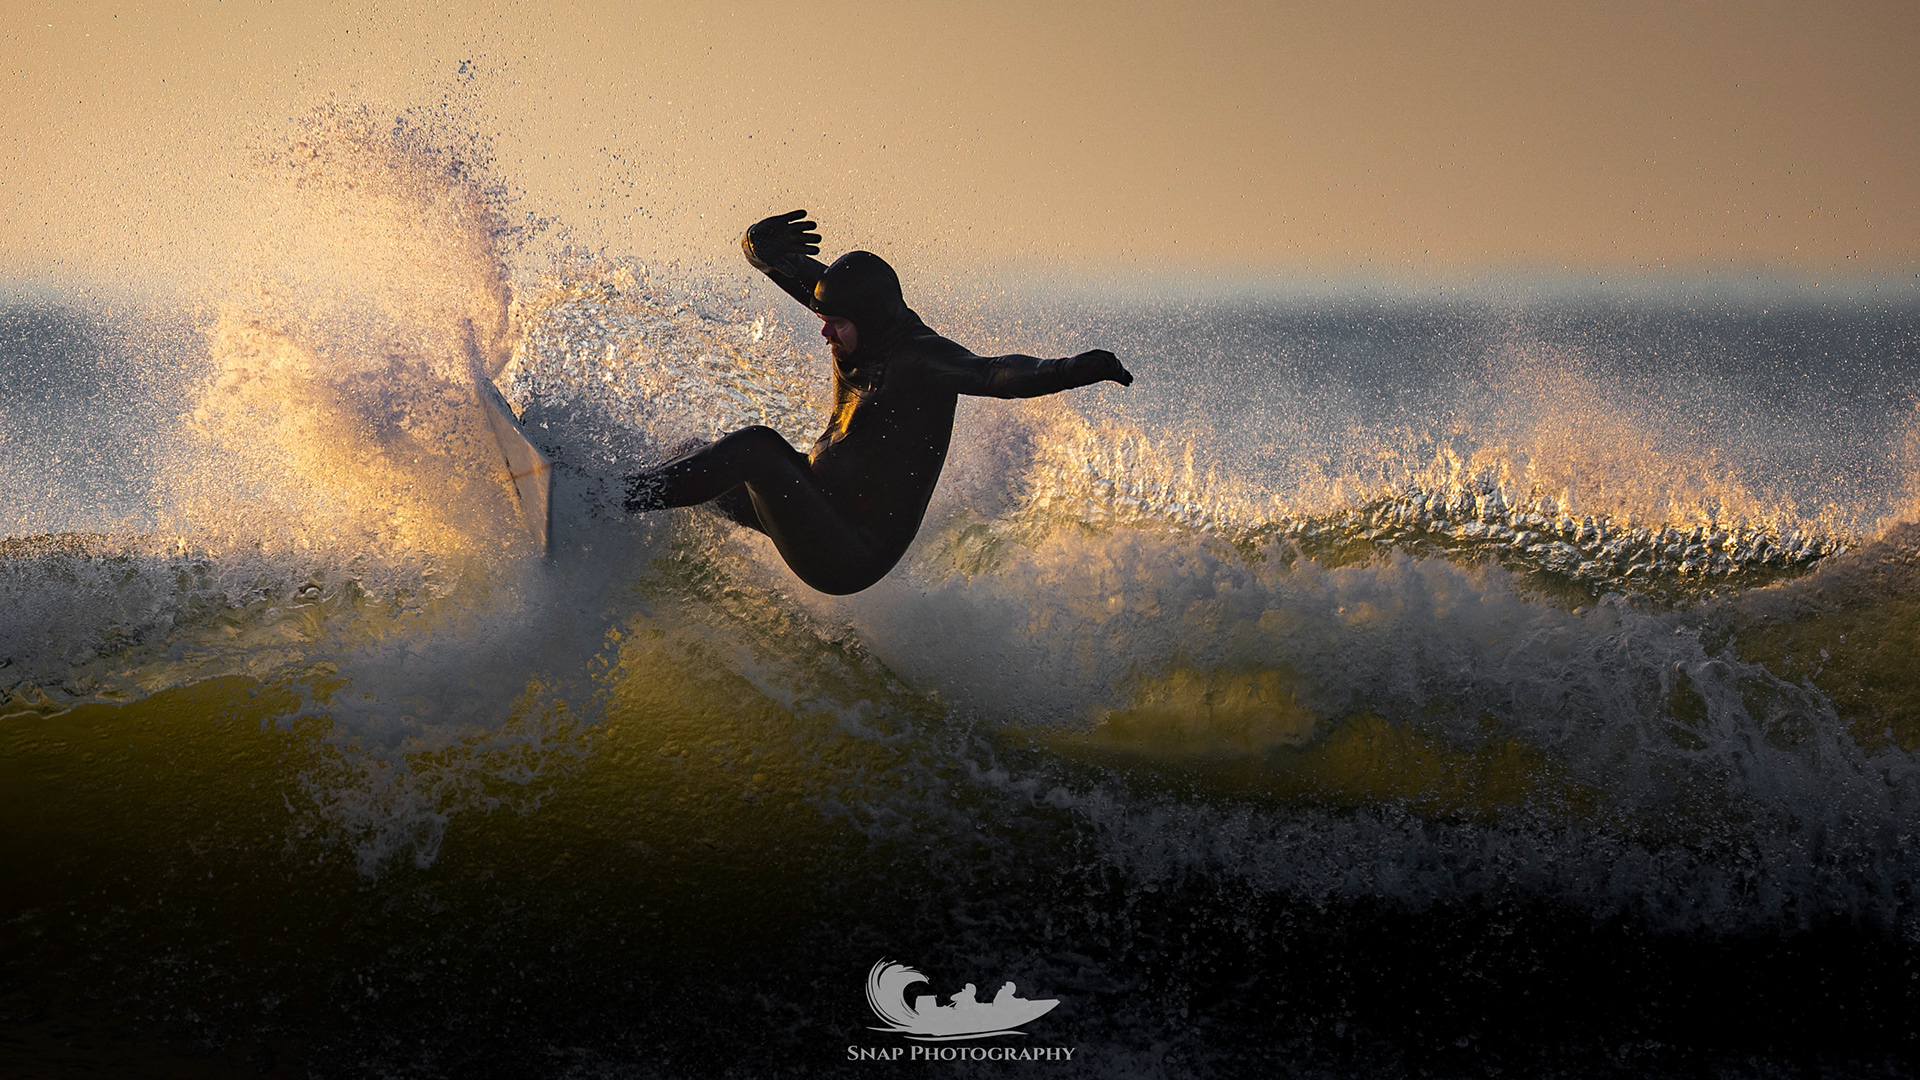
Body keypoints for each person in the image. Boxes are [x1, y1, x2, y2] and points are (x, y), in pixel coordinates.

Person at [625, 210, 1133, 594]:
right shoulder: (853, 321)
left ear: (868, 318)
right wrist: (756, 244)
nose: (823, 329)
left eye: (835, 323)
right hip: (815, 502)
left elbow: (994, 372)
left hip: (847, 552)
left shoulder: (918, 359)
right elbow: (779, 265)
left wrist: (1068, 371)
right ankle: (605, 503)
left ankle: (613, 497)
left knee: (756, 448)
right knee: (690, 451)